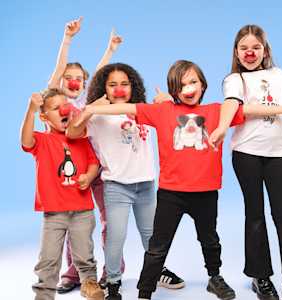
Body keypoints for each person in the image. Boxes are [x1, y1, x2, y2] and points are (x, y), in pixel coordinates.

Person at [74, 59, 282, 300]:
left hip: (206, 192)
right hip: (171, 194)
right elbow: (128, 109)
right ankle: (144, 292)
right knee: (157, 246)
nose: (188, 88)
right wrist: (92, 109)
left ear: (202, 85)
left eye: (193, 82)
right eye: (181, 84)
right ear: (174, 90)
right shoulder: (162, 111)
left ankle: (214, 277)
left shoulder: (217, 111)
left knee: (210, 240)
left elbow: (249, 109)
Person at [209, 24, 282, 300]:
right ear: (236, 52)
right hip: (247, 154)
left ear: (265, 51)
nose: (250, 52)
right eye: (244, 48)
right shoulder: (234, 80)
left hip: (277, 153)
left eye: (256, 47)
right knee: (255, 215)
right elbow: (236, 106)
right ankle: (261, 277)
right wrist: (221, 127)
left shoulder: (279, 75)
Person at [67, 63, 185, 300]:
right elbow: (72, 133)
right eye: (112, 85)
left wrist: (168, 103)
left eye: (124, 84)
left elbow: (175, 120)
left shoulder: (141, 110)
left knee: (152, 235)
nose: (119, 89)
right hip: (117, 186)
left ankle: (156, 271)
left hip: (146, 185)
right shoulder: (98, 115)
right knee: (116, 236)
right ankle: (113, 281)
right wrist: (89, 110)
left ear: (133, 87)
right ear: (104, 89)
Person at [48, 16, 125, 293]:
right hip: (71, 169)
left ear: (85, 83)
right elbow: (58, 72)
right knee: (74, 222)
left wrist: (110, 50)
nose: (73, 82)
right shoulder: (57, 101)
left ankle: (113, 268)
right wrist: (67, 39)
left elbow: (101, 72)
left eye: (79, 79)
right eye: (68, 78)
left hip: (99, 166)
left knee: (108, 219)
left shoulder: (86, 100)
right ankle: (75, 270)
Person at [20, 88, 103, 300]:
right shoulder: (42, 140)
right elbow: (26, 140)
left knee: (84, 253)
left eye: (65, 106)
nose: (63, 110)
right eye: (56, 108)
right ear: (44, 117)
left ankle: (89, 283)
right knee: (48, 258)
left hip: (82, 210)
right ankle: (44, 293)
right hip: (54, 212)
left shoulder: (82, 139)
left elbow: (94, 163)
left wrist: (88, 176)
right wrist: (30, 110)